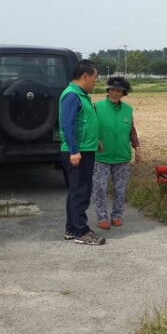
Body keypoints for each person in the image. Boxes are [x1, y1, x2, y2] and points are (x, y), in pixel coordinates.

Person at [59, 60, 105, 245]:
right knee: (81, 191)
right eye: (95, 77)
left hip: (86, 148)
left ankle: (71, 228)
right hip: (78, 152)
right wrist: (74, 151)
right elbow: (67, 125)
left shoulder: (80, 95)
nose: (95, 81)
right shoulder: (72, 96)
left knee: (76, 190)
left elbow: (83, 122)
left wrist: (96, 141)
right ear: (85, 76)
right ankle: (81, 231)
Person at [92, 76, 141, 230]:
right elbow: (89, 127)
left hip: (122, 155)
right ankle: (102, 217)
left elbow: (132, 130)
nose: (114, 93)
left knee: (120, 188)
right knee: (100, 187)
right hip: (101, 155)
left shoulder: (128, 110)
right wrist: (95, 139)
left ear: (123, 93)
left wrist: (137, 148)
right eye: (112, 90)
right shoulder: (97, 107)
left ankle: (117, 216)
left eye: (118, 91)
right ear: (108, 91)